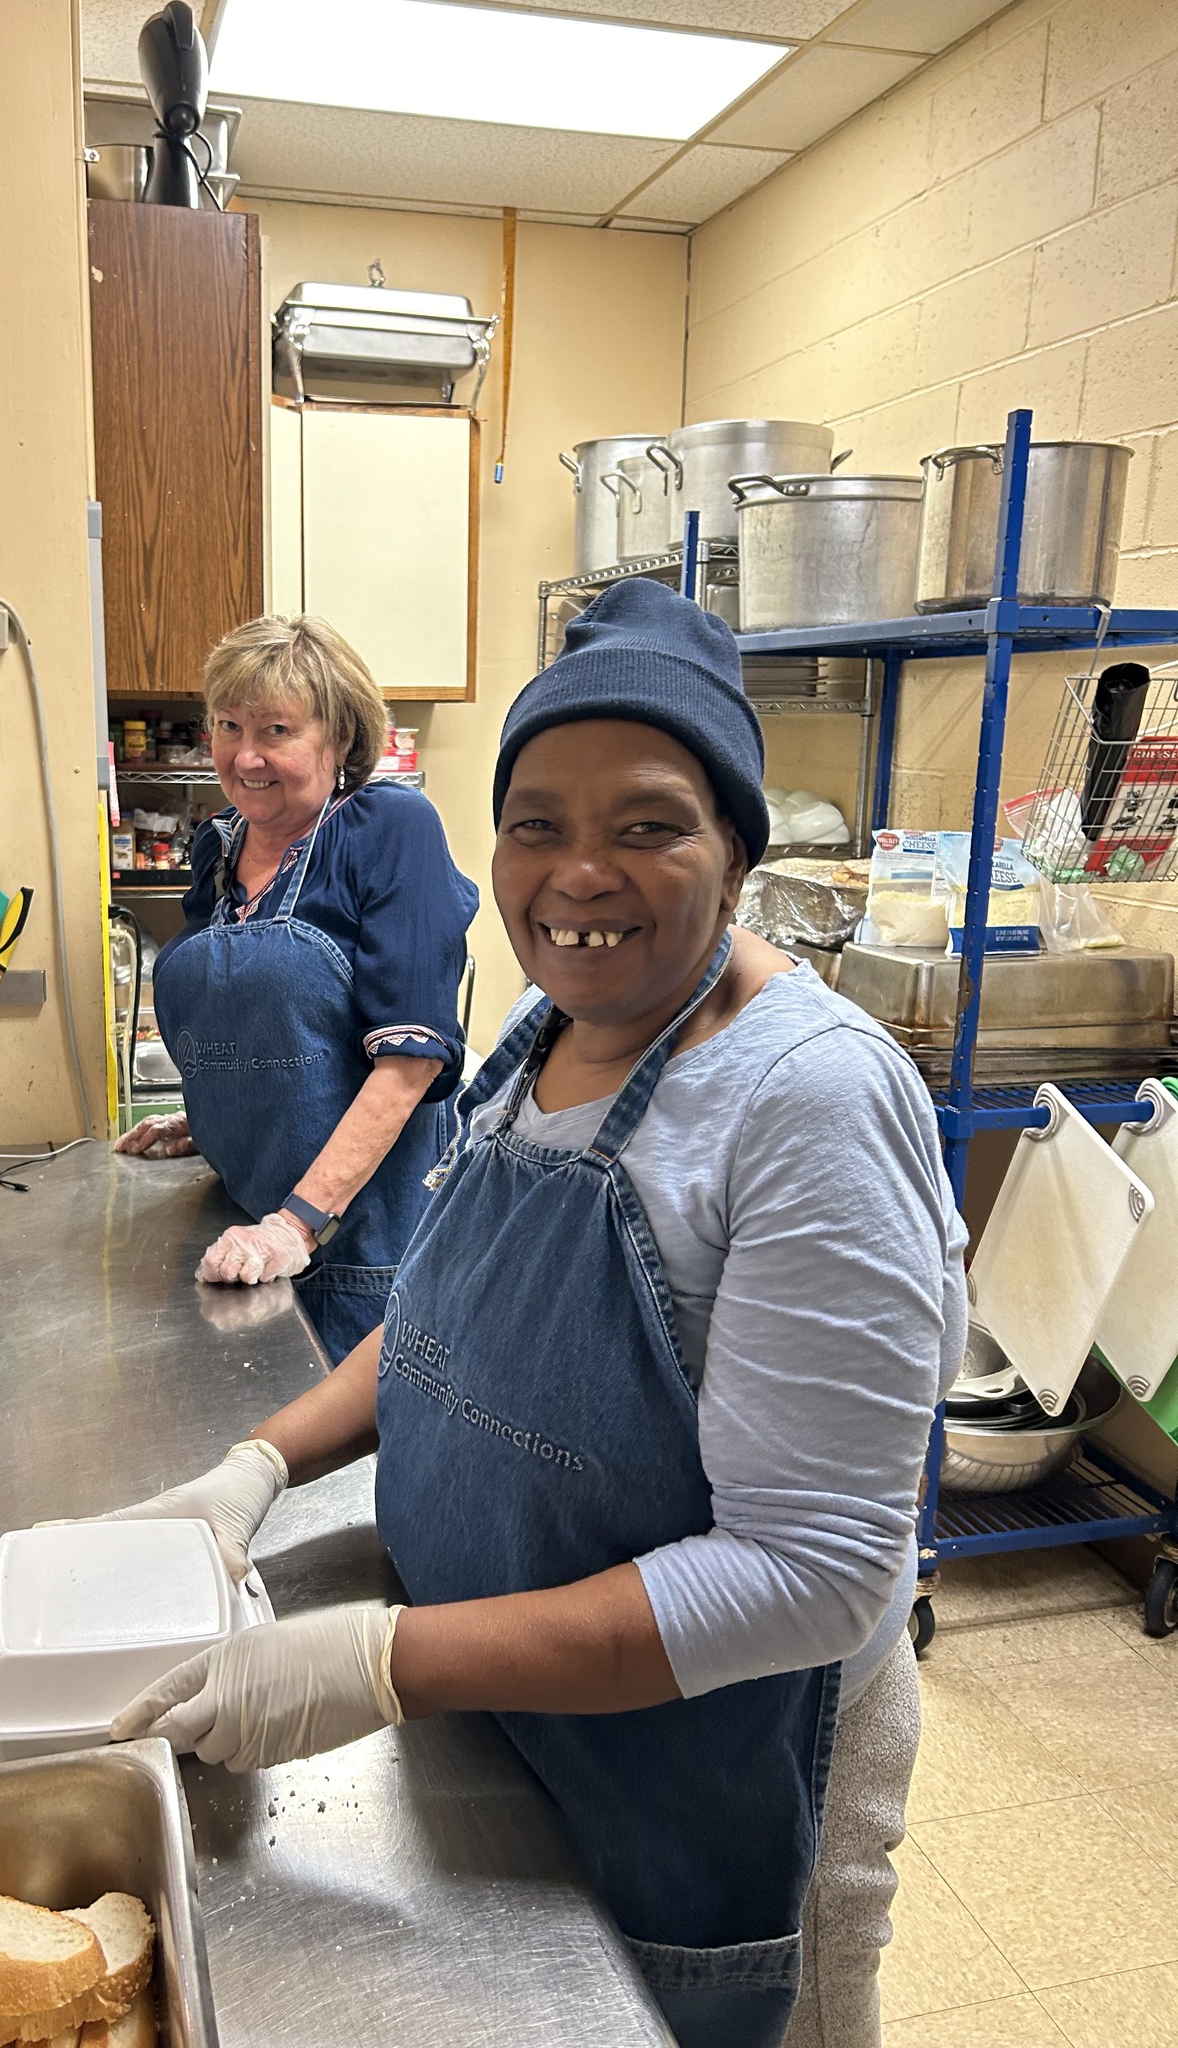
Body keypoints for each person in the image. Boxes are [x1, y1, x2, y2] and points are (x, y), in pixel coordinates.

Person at [101, 581, 967, 2048]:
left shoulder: (805, 1100)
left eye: (648, 824)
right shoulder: (541, 1035)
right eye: (537, 823)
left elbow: (813, 1572)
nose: (579, 873)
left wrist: (389, 1662)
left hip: (719, 1769)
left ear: (738, 849)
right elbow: (445, 1320)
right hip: (530, 1706)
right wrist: (252, 1468)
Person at [117, 615, 477, 1365]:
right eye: (227, 726)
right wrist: (216, 1115)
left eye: (276, 729)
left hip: (365, 1252)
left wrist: (296, 1225)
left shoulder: (390, 829)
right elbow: (269, 1036)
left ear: (338, 740)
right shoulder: (217, 846)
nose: (245, 756)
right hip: (245, 1237)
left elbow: (409, 1063)